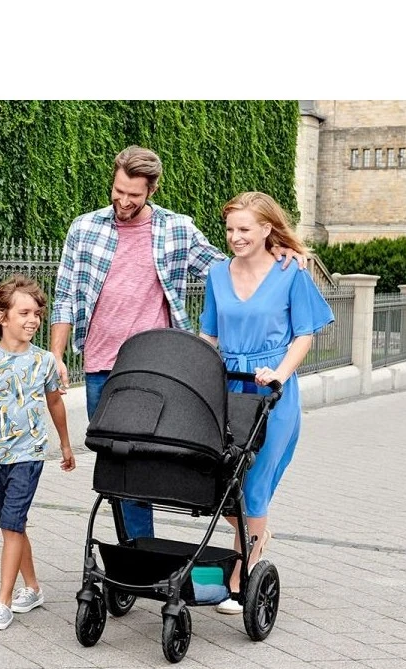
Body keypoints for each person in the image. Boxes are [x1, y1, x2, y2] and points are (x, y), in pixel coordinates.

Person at [50, 145, 306, 539]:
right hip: (101, 367)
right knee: (117, 467)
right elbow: (65, 295)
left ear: (151, 190)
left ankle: (223, 535)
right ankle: (137, 551)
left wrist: (275, 249)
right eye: (118, 191)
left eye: (134, 195)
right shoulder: (84, 229)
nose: (124, 201)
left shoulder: (176, 229)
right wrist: (57, 354)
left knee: (156, 464)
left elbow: (229, 267)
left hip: (156, 369)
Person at [198, 191, 335, 614]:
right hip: (227, 389)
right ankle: (256, 536)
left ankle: (241, 576)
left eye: (244, 229)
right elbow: (209, 335)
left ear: (266, 229)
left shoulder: (291, 272)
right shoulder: (217, 274)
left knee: (254, 485)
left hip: (271, 393)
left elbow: (305, 334)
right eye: (229, 229)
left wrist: (280, 372)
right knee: (218, 484)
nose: (235, 237)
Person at [0, 274, 76, 630]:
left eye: (37, 313)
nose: (33, 320)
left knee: (11, 524)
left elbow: (55, 403)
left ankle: (2, 602)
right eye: (24, 313)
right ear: (2, 317)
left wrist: (65, 444)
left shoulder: (45, 362)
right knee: (13, 526)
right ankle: (33, 588)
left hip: (29, 454)